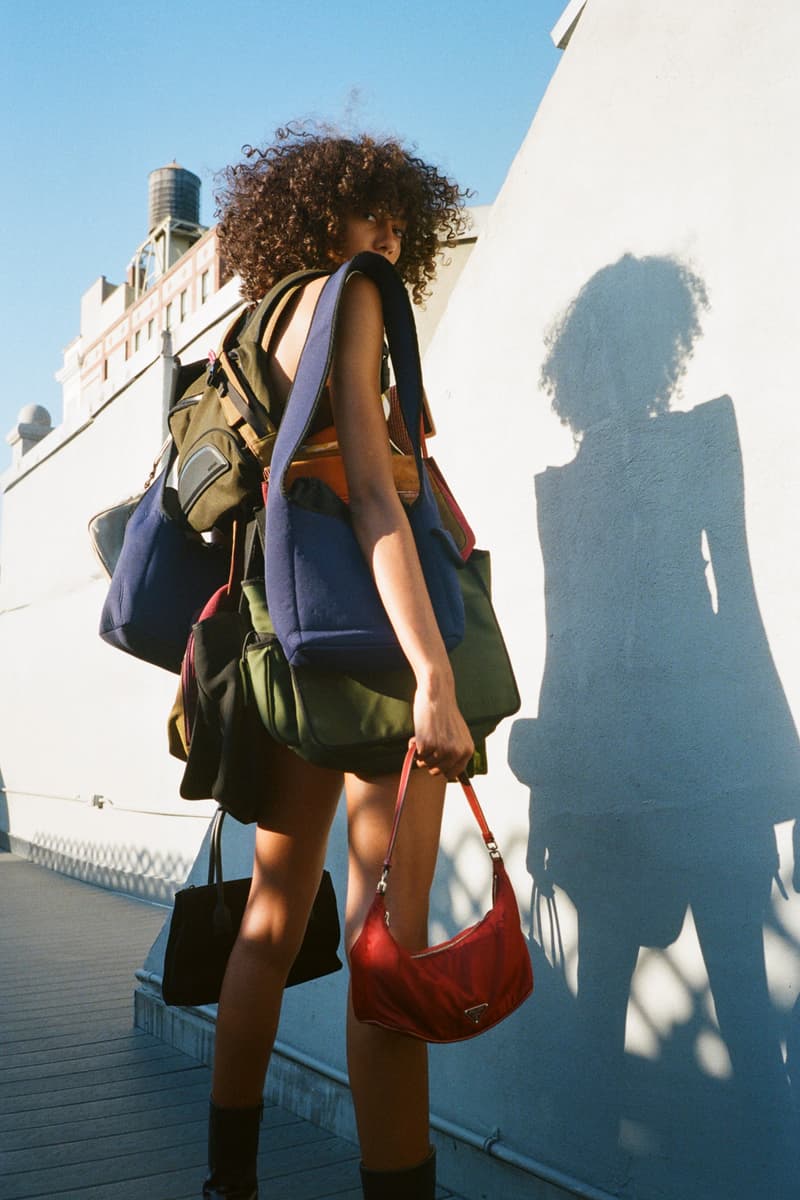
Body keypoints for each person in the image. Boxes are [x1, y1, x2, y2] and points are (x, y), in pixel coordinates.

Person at [204, 124, 474, 1200]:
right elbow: (372, 493)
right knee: (385, 949)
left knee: (271, 920)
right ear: (327, 217)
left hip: (277, 646)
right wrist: (435, 679)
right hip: (366, 653)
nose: (393, 235)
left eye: (403, 216)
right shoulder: (352, 294)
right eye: (378, 212)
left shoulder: (256, 321)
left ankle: (228, 1184)